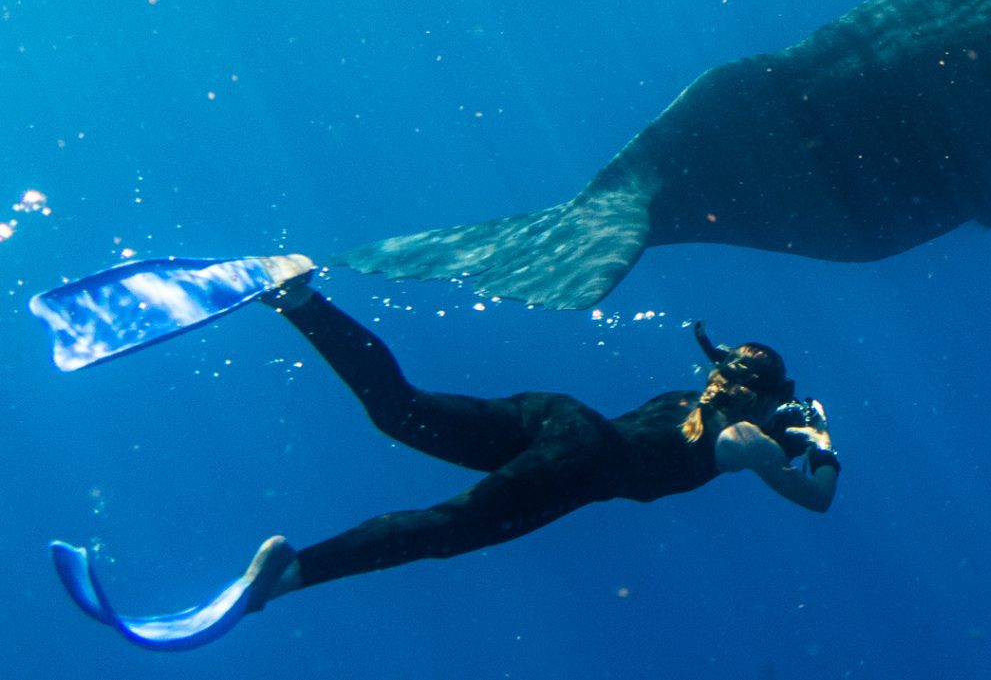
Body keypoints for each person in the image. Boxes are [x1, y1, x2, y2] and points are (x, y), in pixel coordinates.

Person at [48, 261, 837, 650]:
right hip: (582, 459)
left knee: (403, 410)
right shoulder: (741, 439)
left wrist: (777, 416)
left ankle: (297, 296)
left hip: (556, 414)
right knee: (444, 527)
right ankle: (291, 572)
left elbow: (717, 409)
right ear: (764, 398)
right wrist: (820, 447)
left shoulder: (689, 398)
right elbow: (816, 499)